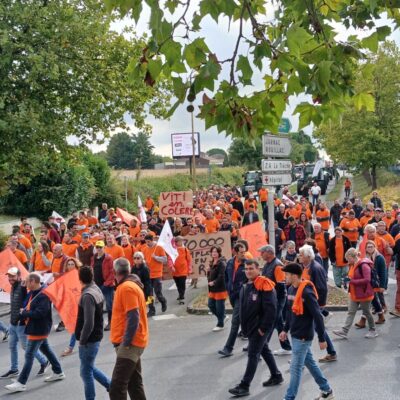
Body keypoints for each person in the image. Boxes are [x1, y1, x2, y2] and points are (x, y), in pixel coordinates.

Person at [280, 263, 334, 400]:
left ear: (294, 276)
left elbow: (318, 316)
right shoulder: (291, 289)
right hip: (295, 334)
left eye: (286, 274)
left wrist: (322, 338)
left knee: (295, 369)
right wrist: (285, 329)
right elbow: (289, 312)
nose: (284, 277)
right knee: (310, 363)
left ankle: (289, 397)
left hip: (303, 336)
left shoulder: (307, 292)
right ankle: (326, 390)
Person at [228, 259, 283, 397]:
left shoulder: (265, 285)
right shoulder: (247, 285)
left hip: (259, 328)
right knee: (264, 350)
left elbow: (271, 310)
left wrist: (263, 329)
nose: (248, 271)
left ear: (259, 269)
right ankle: (276, 375)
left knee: (253, 355)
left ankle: (244, 386)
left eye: (251, 268)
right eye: (246, 269)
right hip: (250, 327)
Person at [5, 272, 65, 392]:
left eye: (27, 282)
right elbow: (24, 304)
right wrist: (22, 289)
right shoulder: (33, 292)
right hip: (36, 327)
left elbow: (40, 313)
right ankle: (58, 371)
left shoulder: (43, 294)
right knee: (46, 350)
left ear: (33, 282)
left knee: (29, 355)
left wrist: (24, 313)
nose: (25, 284)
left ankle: (21, 383)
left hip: (38, 328)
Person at [109, 257, 148, 400]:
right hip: (131, 343)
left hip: (130, 345)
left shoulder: (126, 288)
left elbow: (133, 317)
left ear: (115, 272)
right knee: (134, 384)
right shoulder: (128, 286)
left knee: (117, 388)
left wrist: (125, 343)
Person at [0, 267, 49, 379]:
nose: (10, 278)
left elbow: (32, 284)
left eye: (12, 276)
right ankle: (14, 369)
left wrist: (25, 282)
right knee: (12, 346)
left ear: (18, 276)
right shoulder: (13, 287)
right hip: (13, 323)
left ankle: (44, 361)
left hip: (20, 324)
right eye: (9, 276)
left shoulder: (22, 287)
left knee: (26, 347)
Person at [75, 265, 111, 399]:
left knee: (85, 373)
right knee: (89, 367)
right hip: (95, 337)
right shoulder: (95, 288)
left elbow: (88, 322)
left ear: (80, 279)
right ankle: (111, 385)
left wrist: (82, 340)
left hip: (89, 340)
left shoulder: (87, 296)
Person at [299, 245, 337, 363]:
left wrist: (318, 305)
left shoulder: (316, 268)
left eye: (301, 255)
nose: (299, 257)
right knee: (314, 328)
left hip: (315, 303)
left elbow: (321, 288)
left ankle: (330, 352)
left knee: (315, 327)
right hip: (308, 303)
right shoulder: (306, 267)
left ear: (308, 256)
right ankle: (330, 352)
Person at [333, 248, 378, 339]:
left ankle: (373, 330)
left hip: (364, 294)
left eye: (348, 259)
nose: (347, 261)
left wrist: (352, 281)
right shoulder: (353, 265)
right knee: (351, 312)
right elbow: (352, 277)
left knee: (366, 312)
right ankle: (344, 331)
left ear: (352, 257)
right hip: (355, 294)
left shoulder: (363, 265)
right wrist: (347, 280)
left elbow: (367, 280)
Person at [258, 245, 291, 356]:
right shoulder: (268, 264)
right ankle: (286, 347)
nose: (260, 254)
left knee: (271, 322)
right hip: (271, 298)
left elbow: (281, 285)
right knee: (279, 323)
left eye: (262, 252)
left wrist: (275, 300)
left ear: (269, 252)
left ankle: (261, 347)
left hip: (277, 299)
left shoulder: (277, 266)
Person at [218, 244, 247, 357]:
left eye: (244, 252)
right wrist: (228, 288)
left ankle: (228, 348)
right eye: (241, 252)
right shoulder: (230, 262)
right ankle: (254, 343)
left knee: (235, 321)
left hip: (242, 296)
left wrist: (244, 290)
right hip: (233, 295)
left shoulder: (248, 263)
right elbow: (227, 277)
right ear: (235, 252)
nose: (243, 254)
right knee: (246, 320)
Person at [91, 240, 114, 331]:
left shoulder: (108, 258)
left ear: (104, 248)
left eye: (100, 247)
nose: (99, 249)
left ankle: (110, 322)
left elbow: (112, 272)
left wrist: (106, 283)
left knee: (109, 305)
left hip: (107, 285)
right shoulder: (94, 257)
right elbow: (92, 269)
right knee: (98, 305)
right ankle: (99, 323)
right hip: (96, 284)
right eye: (97, 247)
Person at [362, 241, 387, 325]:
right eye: (368, 247)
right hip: (369, 282)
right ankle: (379, 314)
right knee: (371, 300)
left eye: (371, 246)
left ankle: (381, 310)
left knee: (377, 297)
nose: (370, 248)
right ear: (365, 248)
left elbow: (383, 273)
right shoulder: (364, 257)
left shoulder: (380, 257)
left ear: (375, 247)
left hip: (377, 281)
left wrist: (383, 286)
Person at [142, 234, 168, 316]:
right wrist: (144, 262)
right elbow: (144, 260)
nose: (147, 243)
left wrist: (156, 257)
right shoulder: (144, 249)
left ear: (152, 240)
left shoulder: (159, 247)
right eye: (146, 242)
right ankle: (151, 310)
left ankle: (163, 301)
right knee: (149, 294)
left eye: (149, 242)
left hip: (157, 274)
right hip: (148, 274)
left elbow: (164, 260)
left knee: (158, 293)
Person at [207, 246, 228, 332]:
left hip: (220, 289)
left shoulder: (221, 263)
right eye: (212, 252)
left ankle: (220, 324)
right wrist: (208, 271)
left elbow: (221, 276)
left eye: (216, 251)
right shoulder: (212, 262)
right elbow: (210, 276)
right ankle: (223, 317)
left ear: (219, 253)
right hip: (212, 289)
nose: (214, 253)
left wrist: (214, 282)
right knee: (211, 305)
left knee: (219, 307)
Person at [172, 236, 192, 304]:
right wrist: (171, 266)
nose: (181, 242)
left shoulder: (185, 249)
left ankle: (182, 296)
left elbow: (189, 260)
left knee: (182, 283)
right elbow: (170, 259)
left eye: (182, 241)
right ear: (176, 242)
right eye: (180, 241)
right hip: (175, 270)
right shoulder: (173, 250)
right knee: (177, 284)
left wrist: (189, 269)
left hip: (183, 269)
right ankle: (180, 293)